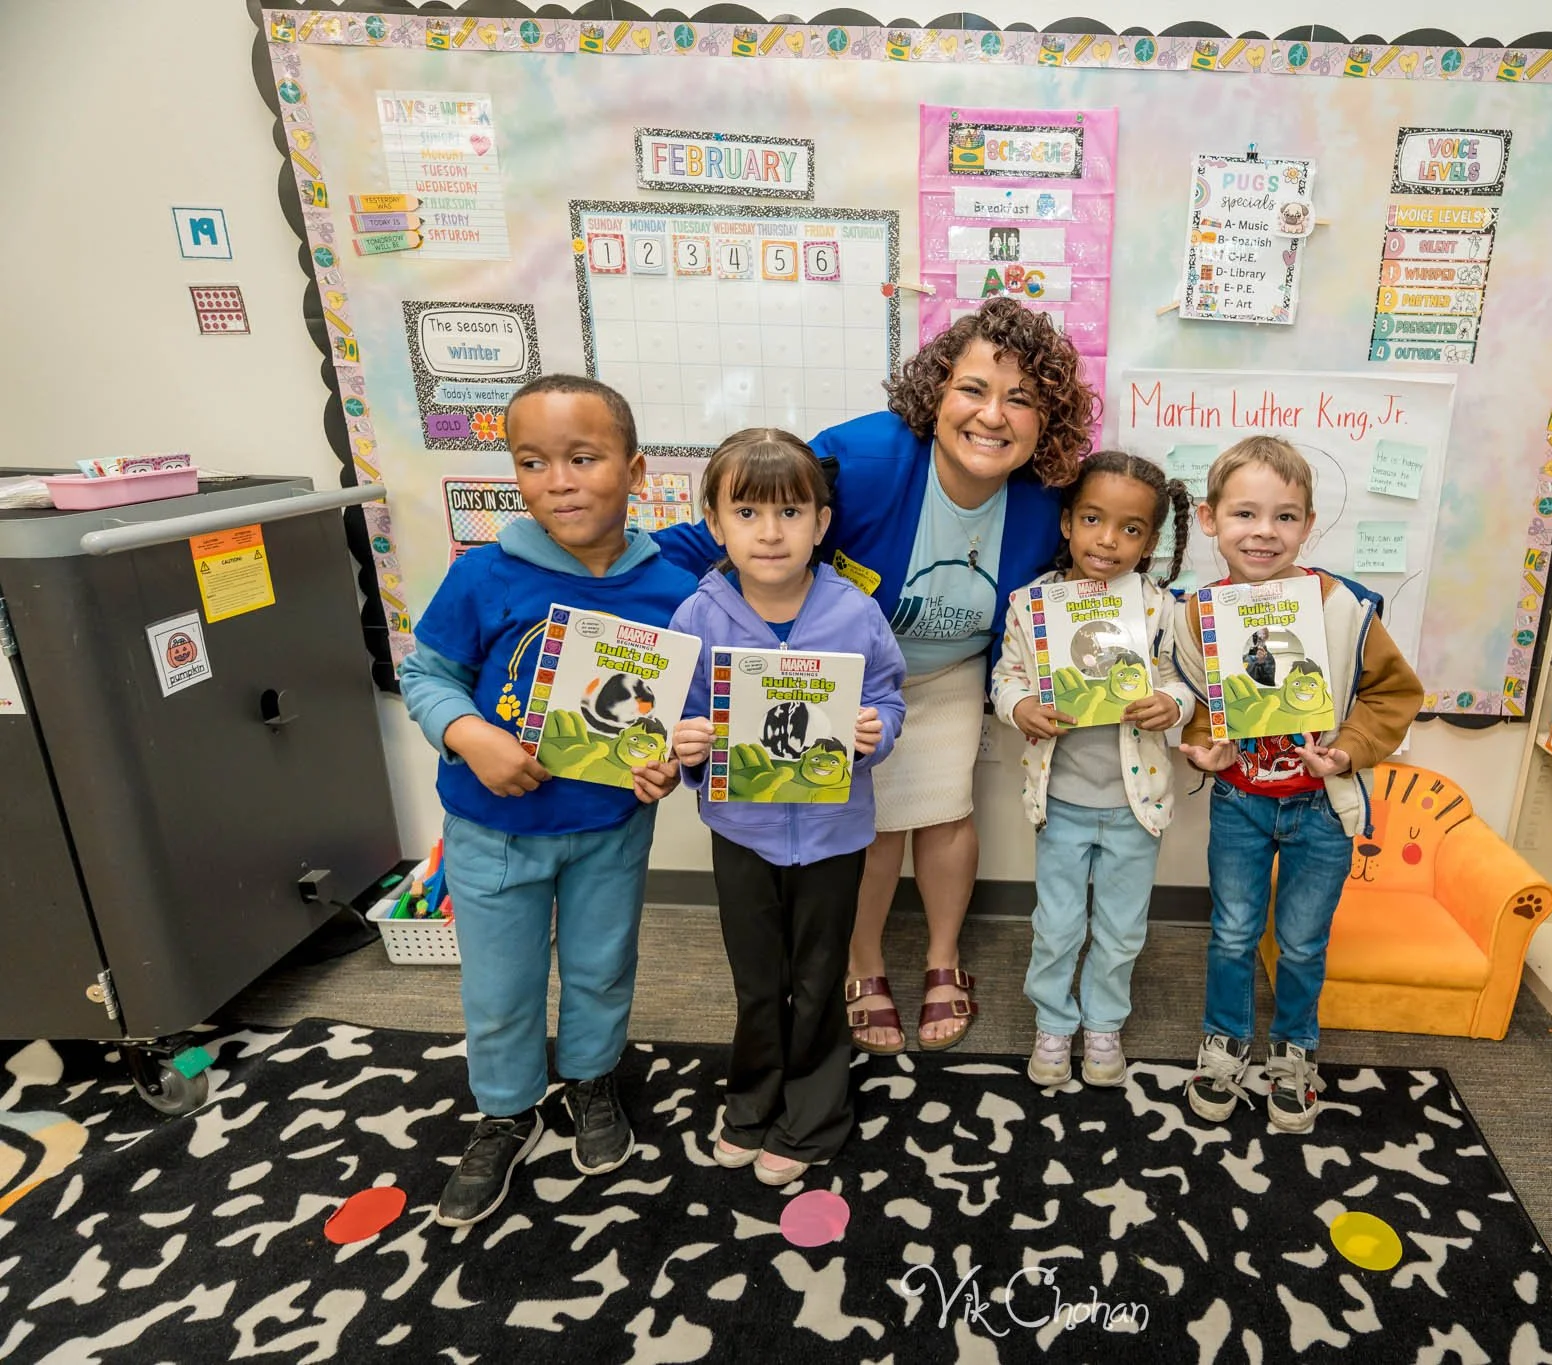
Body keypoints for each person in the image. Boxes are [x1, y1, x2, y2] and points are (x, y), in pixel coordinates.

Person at [656, 298, 1095, 1051]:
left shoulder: (1053, 494)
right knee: (875, 826)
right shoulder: (860, 458)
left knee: (948, 807)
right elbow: (721, 534)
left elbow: (1105, 569)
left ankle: (942, 959)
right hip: (844, 673)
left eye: (1020, 399)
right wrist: (643, 634)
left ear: (1044, 420)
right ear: (936, 393)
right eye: (973, 389)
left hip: (954, 668)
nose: (993, 416)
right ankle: (865, 965)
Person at [400, 375, 695, 1227]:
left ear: (634, 471)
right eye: (533, 461)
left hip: (608, 827)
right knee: (501, 987)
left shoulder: (670, 588)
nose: (558, 480)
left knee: (603, 967)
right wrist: (470, 735)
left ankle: (593, 1080)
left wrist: (664, 767)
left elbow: (672, 713)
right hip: (493, 831)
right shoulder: (483, 574)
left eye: (583, 457)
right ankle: (506, 1110)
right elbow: (427, 672)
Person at [668, 429, 906, 1186]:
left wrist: (875, 731)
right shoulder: (697, 617)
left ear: (821, 524)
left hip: (835, 834)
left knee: (819, 972)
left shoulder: (853, 611)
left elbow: (886, 696)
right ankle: (751, 1101)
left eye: (791, 513)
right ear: (716, 523)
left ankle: (814, 1115)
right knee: (756, 979)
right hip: (743, 831)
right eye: (747, 512)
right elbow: (678, 723)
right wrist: (690, 743)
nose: (770, 532)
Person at [1170, 437, 1424, 1133]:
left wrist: (1345, 751)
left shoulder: (1343, 605)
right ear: (1211, 519)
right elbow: (1194, 703)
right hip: (1241, 802)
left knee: (1304, 941)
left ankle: (1293, 1052)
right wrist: (1202, 747)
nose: (1264, 531)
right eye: (1246, 513)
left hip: (1320, 808)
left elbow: (1393, 695)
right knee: (1231, 932)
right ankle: (1224, 1041)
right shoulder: (1196, 613)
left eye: (1285, 516)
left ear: (1308, 526)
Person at [991, 453, 1195, 1088]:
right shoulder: (1031, 605)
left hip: (1138, 806)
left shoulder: (1161, 609)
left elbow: (1183, 682)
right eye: (1092, 519)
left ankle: (1104, 1023)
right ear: (1066, 524)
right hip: (1062, 802)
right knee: (1056, 923)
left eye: (1131, 529)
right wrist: (1020, 705)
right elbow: (1007, 678)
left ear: (1152, 542)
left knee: (1121, 926)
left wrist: (1174, 704)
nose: (1108, 540)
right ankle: (1054, 1021)